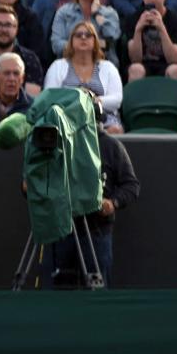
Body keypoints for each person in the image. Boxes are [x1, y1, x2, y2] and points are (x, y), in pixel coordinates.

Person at [42, 114, 139, 288]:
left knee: (97, 289)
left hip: (96, 228)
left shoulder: (111, 146)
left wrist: (112, 202)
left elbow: (131, 185)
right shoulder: (57, 143)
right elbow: (37, 180)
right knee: (57, 288)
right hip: (61, 228)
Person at [44, 21, 126, 132]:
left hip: (103, 118)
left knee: (115, 130)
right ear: (71, 41)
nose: (83, 37)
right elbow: (49, 97)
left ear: (95, 41)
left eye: (88, 35)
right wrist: (76, 102)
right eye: (78, 35)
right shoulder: (58, 66)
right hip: (67, 116)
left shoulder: (108, 67)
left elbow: (117, 99)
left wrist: (93, 101)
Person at [50, 0, 122, 64]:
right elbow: (56, 45)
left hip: (102, 63)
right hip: (70, 62)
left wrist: (96, 14)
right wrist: (90, 45)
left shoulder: (109, 13)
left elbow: (111, 39)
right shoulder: (64, 12)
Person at [126, 0, 177, 82]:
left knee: (176, 70)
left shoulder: (176, 20)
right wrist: (138, 29)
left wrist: (161, 28)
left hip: (166, 64)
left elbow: (173, 59)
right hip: (143, 65)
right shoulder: (132, 19)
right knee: (136, 69)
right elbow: (135, 59)